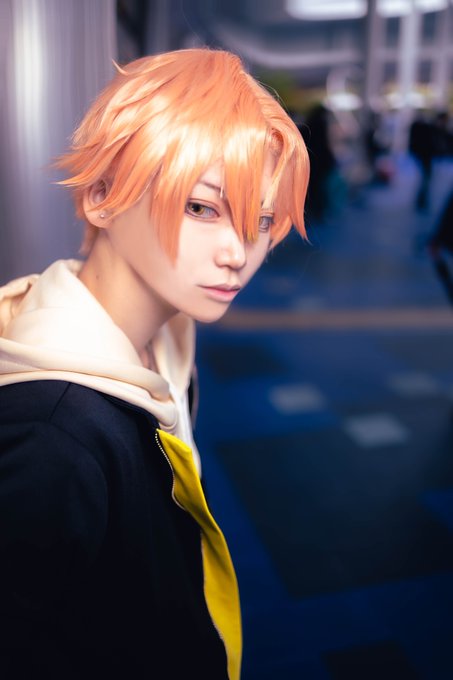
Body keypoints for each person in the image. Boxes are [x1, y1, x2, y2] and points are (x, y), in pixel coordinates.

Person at [0, 48, 309, 679]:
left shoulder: (165, 337)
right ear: (102, 197)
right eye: (202, 208)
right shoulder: (52, 438)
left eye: (261, 220)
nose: (238, 253)